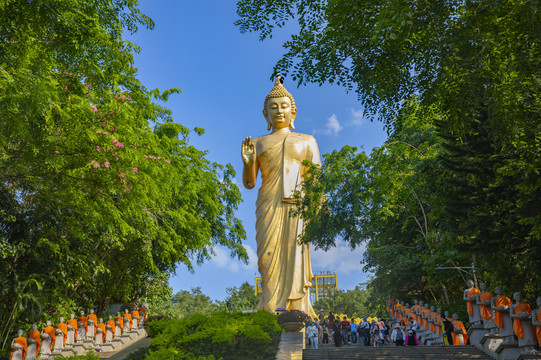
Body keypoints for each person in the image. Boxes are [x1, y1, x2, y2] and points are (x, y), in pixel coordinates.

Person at [242, 74, 321, 319]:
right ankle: (269, 307)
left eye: (283, 106)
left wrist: (316, 210)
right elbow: (249, 183)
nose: (278, 111)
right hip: (269, 203)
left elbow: (316, 181)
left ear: (293, 112)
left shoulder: (307, 141)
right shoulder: (257, 143)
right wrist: (247, 162)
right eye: (273, 107)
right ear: (265, 113)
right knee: (266, 257)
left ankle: (296, 307)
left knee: (295, 253)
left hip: (297, 207)